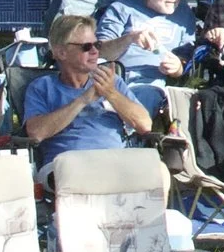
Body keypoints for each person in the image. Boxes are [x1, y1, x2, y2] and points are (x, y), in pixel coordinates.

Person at [21, 14, 154, 180]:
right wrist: (83, 100)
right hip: (67, 166)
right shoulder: (42, 87)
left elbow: (145, 125)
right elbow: (36, 133)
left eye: (96, 45)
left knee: (160, 172)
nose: (95, 51)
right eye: (86, 47)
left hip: (115, 163)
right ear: (61, 53)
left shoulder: (111, 82)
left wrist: (111, 93)